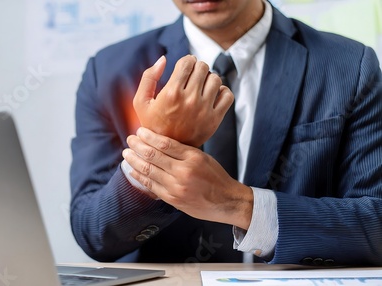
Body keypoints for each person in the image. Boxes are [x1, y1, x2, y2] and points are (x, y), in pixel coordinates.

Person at [70, 0, 382, 265]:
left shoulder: (349, 65)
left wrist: (236, 203)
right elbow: (94, 234)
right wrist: (162, 145)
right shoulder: (110, 70)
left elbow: (376, 223)